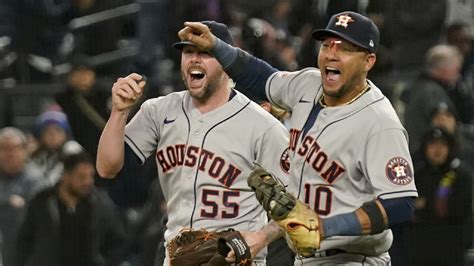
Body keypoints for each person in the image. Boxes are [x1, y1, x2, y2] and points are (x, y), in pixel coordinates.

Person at [178, 11, 418, 265]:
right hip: (305, 258)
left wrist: (324, 228)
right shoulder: (308, 84)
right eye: (326, 46)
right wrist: (215, 46)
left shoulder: (380, 123)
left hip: (354, 259)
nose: (331, 54)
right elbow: (261, 78)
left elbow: (400, 203)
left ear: (368, 61)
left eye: (345, 49)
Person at [96, 20, 289, 265]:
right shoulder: (159, 111)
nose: (195, 59)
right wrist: (119, 113)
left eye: (205, 53)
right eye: (188, 52)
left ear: (226, 62)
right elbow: (106, 168)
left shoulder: (262, 125)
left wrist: (261, 237)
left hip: (236, 260)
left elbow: (300, 201)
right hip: (175, 256)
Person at [15, 151, 125, 266]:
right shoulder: (42, 202)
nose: (88, 182)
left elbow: (117, 240)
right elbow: (24, 242)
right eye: (82, 177)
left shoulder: (100, 203)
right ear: (66, 175)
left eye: (91, 176)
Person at [408, 127, 472, 265]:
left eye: (442, 144)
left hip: (451, 251)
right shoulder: (416, 175)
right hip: (419, 252)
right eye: (432, 144)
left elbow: (459, 209)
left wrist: (425, 205)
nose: (437, 149)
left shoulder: (461, 176)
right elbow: (408, 210)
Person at [0, 127, 43, 266]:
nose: (10, 154)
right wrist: (8, 201)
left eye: (14, 148)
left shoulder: (36, 178)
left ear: (25, 150)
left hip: (29, 252)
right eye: (4, 148)